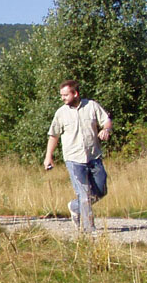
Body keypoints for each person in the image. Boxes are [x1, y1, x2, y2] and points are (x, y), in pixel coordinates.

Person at [44, 80, 112, 233]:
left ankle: (75, 207)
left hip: (94, 156)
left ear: (75, 93)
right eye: (61, 95)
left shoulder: (92, 106)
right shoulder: (61, 113)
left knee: (101, 191)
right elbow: (53, 135)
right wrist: (49, 156)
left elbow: (106, 121)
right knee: (85, 193)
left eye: (66, 95)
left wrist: (106, 130)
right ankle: (89, 229)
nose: (63, 98)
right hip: (74, 159)